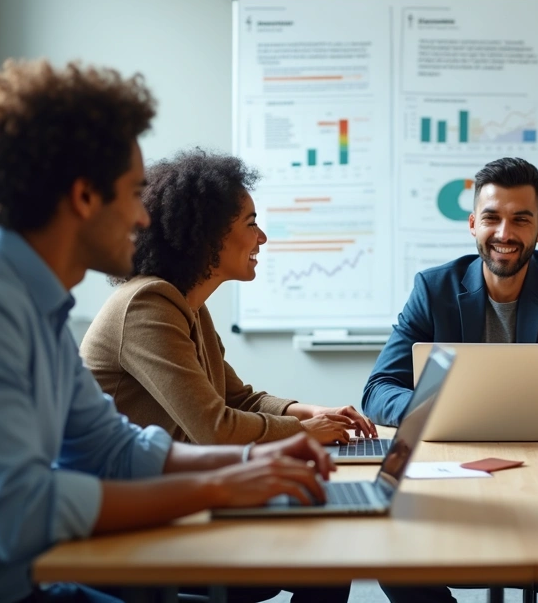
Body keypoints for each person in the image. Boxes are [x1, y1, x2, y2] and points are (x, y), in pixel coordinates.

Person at [0, 60, 341, 603]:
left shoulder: (35, 307)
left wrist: (252, 460)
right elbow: (16, 512)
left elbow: (115, 450)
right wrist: (219, 482)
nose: (144, 218)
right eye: (134, 193)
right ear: (85, 196)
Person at [364, 157, 538, 603]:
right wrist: (445, 409)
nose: (504, 233)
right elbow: (378, 390)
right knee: (394, 560)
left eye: (521, 219)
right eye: (492, 218)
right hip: (454, 476)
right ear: (473, 223)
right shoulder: (433, 289)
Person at [81, 149, 376, 447]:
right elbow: (214, 429)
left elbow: (238, 400)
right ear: (208, 235)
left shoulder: (188, 307)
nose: (262, 237)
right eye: (251, 223)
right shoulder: (148, 305)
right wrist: (305, 431)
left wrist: (311, 414)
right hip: (123, 489)